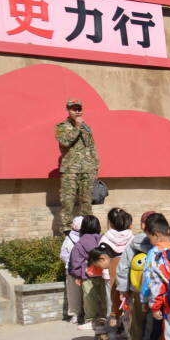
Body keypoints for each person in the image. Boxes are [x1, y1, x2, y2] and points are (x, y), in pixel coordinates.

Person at [117, 212, 159, 340]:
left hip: (137, 292)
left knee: (138, 325)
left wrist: (123, 289)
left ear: (142, 225)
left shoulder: (134, 244)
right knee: (156, 325)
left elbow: (123, 267)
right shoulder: (161, 242)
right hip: (158, 291)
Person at [55, 99, 100, 233]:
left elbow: (91, 147)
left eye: (79, 109)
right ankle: (66, 230)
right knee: (67, 201)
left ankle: (88, 230)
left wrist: (95, 166)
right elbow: (65, 142)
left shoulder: (86, 127)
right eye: (74, 109)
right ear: (68, 110)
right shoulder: (61, 127)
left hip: (87, 169)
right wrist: (77, 127)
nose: (77, 111)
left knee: (86, 202)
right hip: (70, 170)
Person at [100, 208, 134, 338]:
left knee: (112, 303)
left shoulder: (106, 238)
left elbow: (101, 258)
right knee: (126, 303)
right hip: (127, 275)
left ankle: (113, 331)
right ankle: (127, 331)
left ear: (110, 222)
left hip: (110, 275)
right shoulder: (131, 237)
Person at [68, 215, 102, 328]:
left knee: (89, 299)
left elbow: (75, 262)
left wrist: (78, 275)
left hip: (88, 275)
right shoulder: (103, 239)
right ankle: (104, 319)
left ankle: (91, 320)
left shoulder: (80, 244)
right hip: (104, 274)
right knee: (105, 298)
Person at [60, 216, 84, 324]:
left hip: (72, 269)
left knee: (73, 293)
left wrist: (71, 262)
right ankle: (89, 314)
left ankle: (75, 315)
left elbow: (63, 255)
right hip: (86, 268)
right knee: (88, 293)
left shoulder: (68, 239)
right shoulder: (87, 238)